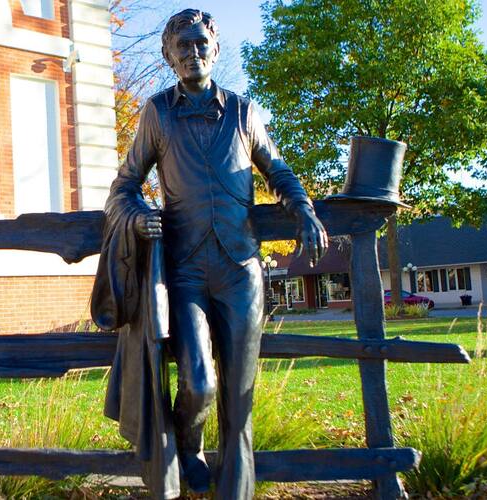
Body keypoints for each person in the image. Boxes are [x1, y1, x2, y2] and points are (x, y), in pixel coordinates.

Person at [103, 8, 328, 497]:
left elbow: (279, 170)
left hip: (239, 270)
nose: (192, 52)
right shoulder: (158, 113)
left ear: (216, 49)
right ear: (168, 56)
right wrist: (138, 216)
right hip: (184, 273)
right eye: (181, 46)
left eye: (200, 43)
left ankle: (236, 492)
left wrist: (304, 209)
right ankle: (187, 444)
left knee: (240, 400)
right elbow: (123, 187)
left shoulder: (246, 112)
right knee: (200, 385)